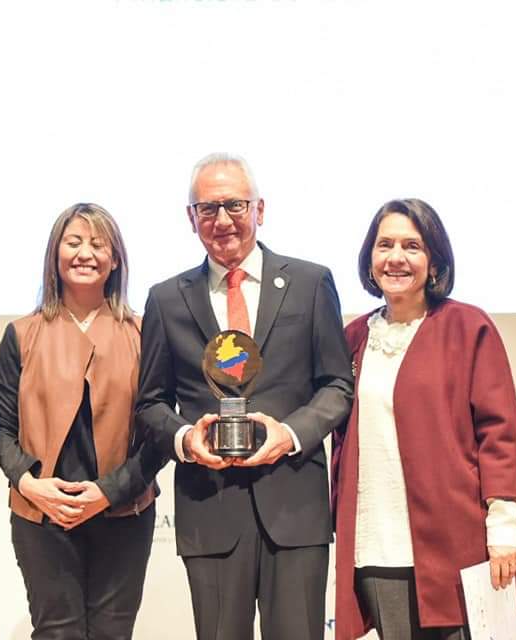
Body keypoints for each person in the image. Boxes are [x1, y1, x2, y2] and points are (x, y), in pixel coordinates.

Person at [136, 153, 354, 640]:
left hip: (295, 511)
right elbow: (150, 403)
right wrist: (186, 438)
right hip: (209, 509)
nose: (223, 220)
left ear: (260, 208)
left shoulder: (310, 283)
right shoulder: (166, 300)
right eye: (208, 208)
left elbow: (338, 385)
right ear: (191, 217)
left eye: (235, 205)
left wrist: (290, 434)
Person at [331, 198, 516, 640]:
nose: (396, 258)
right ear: (369, 259)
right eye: (385, 245)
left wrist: (504, 527)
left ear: (435, 261)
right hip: (377, 547)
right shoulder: (353, 337)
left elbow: (499, 433)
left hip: (456, 547)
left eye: (412, 246)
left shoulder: (467, 327)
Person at [0, 203, 163, 640]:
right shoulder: (21, 334)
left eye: (98, 244)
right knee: (56, 633)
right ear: (55, 254)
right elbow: (1, 427)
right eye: (73, 242)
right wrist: (29, 484)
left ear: (115, 259)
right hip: (41, 512)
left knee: (113, 633)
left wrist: (110, 492)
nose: (85, 253)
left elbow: (159, 433)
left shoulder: (144, 333)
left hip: (124, 509)